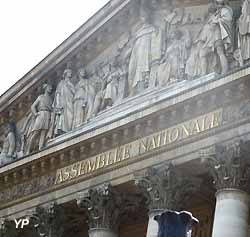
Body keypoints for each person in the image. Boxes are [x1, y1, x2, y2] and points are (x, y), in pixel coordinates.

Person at [186, 0, 233, 78]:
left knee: (220, 52)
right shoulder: (215, 14)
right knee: (203, 53)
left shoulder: (224, 11)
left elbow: (227, 20)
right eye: (217, 3)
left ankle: (225, 71)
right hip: (211, 40)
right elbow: (207, 28)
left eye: (220, 3)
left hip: (218, 37)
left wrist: (217, 21)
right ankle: (203, 74)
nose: (218, 5)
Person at [128, 5, 156, 95]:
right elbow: (133, 49)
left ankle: (146, 83)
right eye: (142, 16)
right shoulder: (137, 33)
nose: (144, 17)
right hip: (139, 57)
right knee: (139, 71)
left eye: (145, 15)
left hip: (147, 54)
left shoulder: (152, 29)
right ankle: (139, 87)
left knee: (145, 68)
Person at [25, 84, 53, 154]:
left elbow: (51, 108)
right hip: (41, 114)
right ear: (45, 88)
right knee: (36, 132)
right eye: (49, 87)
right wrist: (35, 114)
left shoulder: (50, 99)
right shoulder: (41, 97)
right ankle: (28, 150)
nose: (51, 89)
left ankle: (41, 148)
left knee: (44, 131)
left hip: (47, 114)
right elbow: (33, 106)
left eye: (51, 88)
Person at [49, 69, 75, 137]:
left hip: (70, 102)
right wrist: (58, 104)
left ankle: (69, 130)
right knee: (63, 117)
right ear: (65, 74)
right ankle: (63, 130)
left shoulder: (71, 83)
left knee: (71, 116)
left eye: (71, 72)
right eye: (69, 72)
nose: (71, 74)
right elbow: (58, 94)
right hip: (63, 103)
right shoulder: (61, 83)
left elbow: (74, 92)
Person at [238, 0, 250, 65]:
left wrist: (241, 20)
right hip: (245, 29)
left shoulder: (246, 2)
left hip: (246, 30)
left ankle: (248, 58)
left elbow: (246, 15)